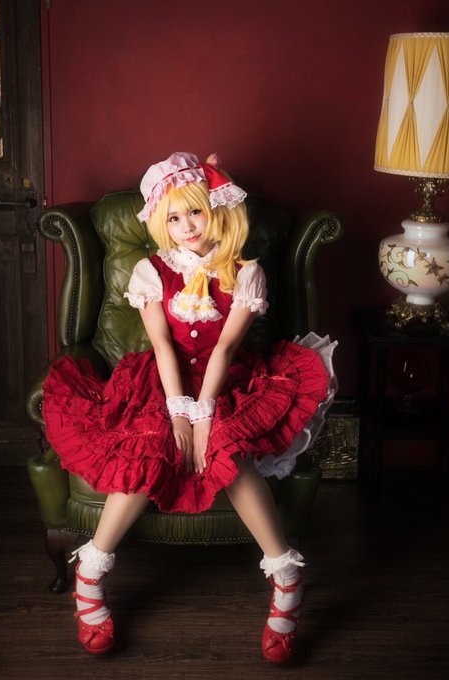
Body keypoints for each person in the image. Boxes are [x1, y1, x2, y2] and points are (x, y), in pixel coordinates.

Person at [42, 151, 337, 664]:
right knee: (149, 445)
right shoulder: (150, 270)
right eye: (174, 218)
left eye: (195, 212)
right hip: (160, 379)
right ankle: (90, 572)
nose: (187, 227)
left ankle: (287, 577)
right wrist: (179, 413)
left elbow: (225, 349)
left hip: (226, 378)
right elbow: (161, 345)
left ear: (215, 208)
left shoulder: (246, 272)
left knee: (226, 445)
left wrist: (203, 417)